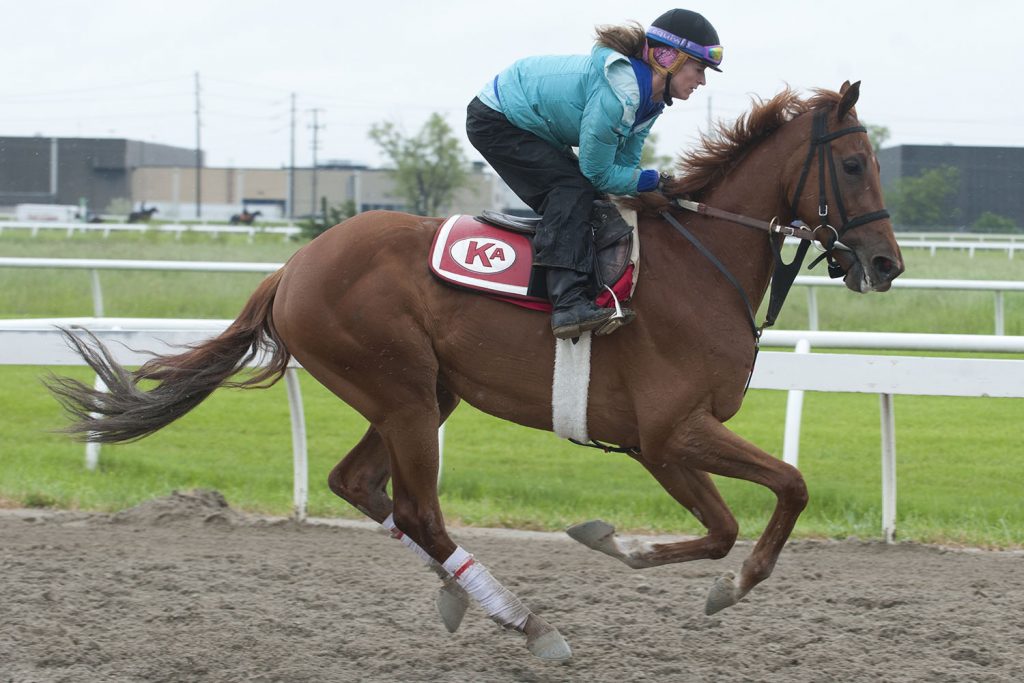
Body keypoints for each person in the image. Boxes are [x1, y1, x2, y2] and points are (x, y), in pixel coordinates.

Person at [466, 9, 722, 340]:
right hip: (497, 118)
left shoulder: (651, 102)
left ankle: (588, 290)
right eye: (699, 69)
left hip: (529, 121)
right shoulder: (620, 94)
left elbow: (624, 165)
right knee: (572, 189)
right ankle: (567, 306)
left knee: (595, 197)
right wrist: (651, 181)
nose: (702, 80)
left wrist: (649, 186)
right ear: (667, 58)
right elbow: (599, 172)